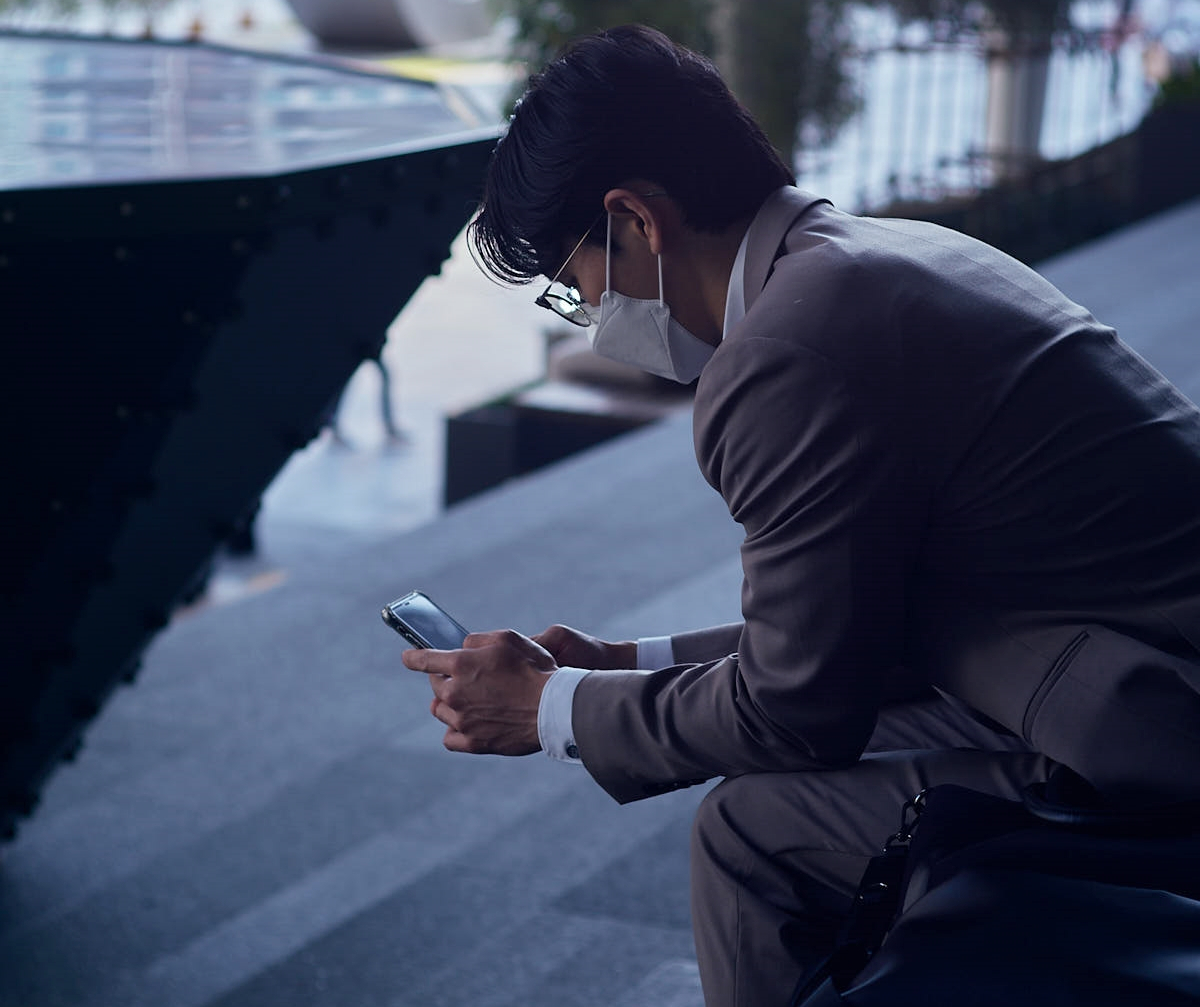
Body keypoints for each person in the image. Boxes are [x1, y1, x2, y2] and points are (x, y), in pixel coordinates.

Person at [402, 24, 1200, 1007]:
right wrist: (619, 663)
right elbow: (849, 620)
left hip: (1157, 728)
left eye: (578, 285)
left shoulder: (787, 351)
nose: (593, 315)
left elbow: (796, 708)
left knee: (754, 835)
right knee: (765, 817)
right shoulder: (879, 256)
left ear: (634, 220)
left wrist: (547, 709)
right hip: (1116, 655)